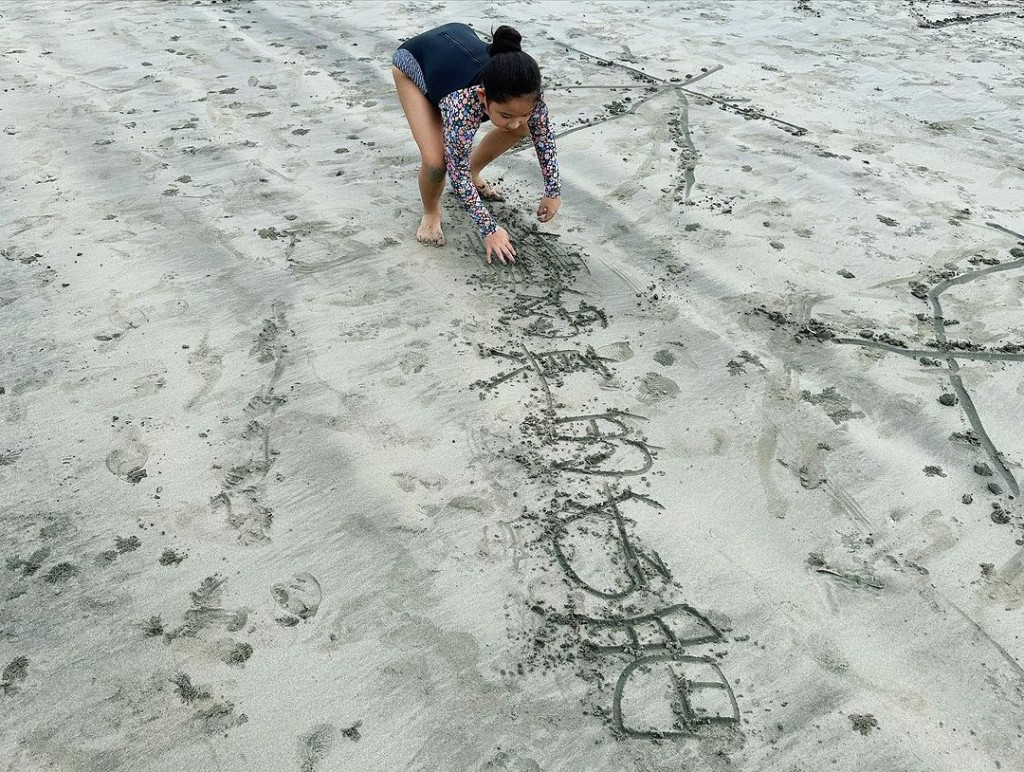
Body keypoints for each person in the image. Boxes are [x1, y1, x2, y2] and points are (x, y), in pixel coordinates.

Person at [391, 23, 561, 264]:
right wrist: (490, 229)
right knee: (436, 162)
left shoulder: (528, 94)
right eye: (505, 115)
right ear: (483, 96)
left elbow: (544, 137)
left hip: (453, 52)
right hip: (414, 64)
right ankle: (431, 211)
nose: (514, 123)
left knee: (524, 129)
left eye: (525, 113)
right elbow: (455, 173)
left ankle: (476, 171)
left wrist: (553, 192)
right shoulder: (462, 107)